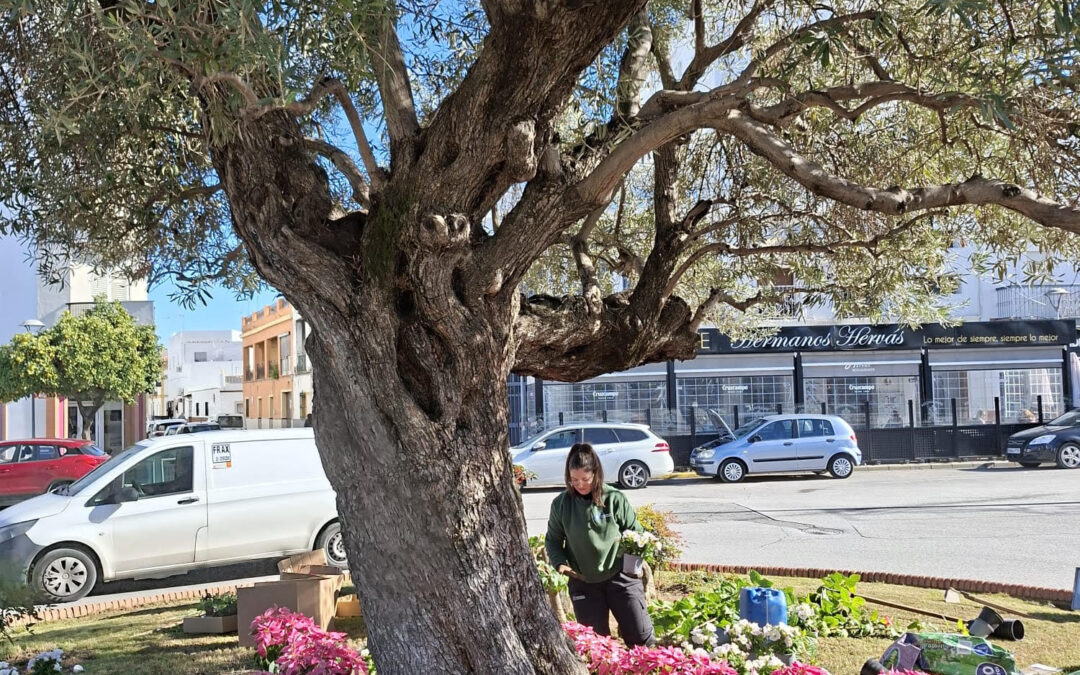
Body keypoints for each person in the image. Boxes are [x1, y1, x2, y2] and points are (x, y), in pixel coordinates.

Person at [545, 443, 655, 647]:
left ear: (596, 474)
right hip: (583, 581)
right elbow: (552, 539)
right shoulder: (561, 504)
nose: (579, 484)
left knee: (641, 639)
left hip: (621, 576)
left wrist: (633, 567)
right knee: (596, 646)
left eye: (585, 479)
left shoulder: (613, 498)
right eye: (574, 479)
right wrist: (560, 563)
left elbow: (637, 533)